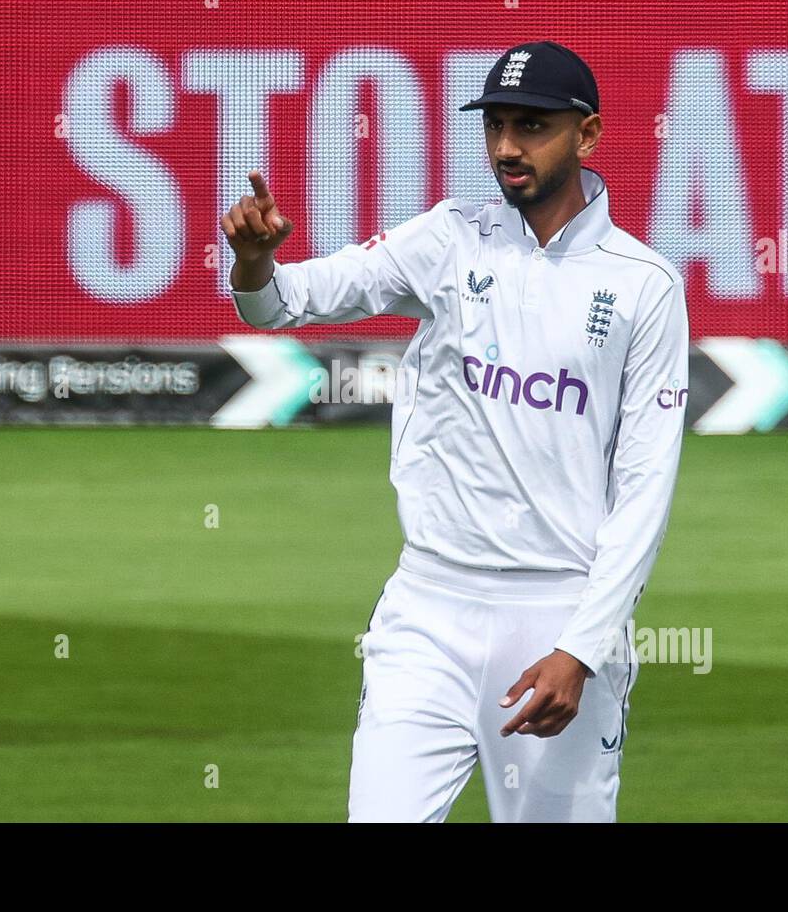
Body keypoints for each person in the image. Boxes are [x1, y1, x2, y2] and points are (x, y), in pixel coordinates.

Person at [221, 40, 689, 822]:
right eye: (495, 125)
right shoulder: (449, 237)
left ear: (589, 134)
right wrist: (254, 264)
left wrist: (581, 650)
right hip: (428, 609)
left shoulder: (645, 285)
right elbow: (282, 303)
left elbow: (644, 490)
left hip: (559, 616)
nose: (506, 147)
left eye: (532, 126)